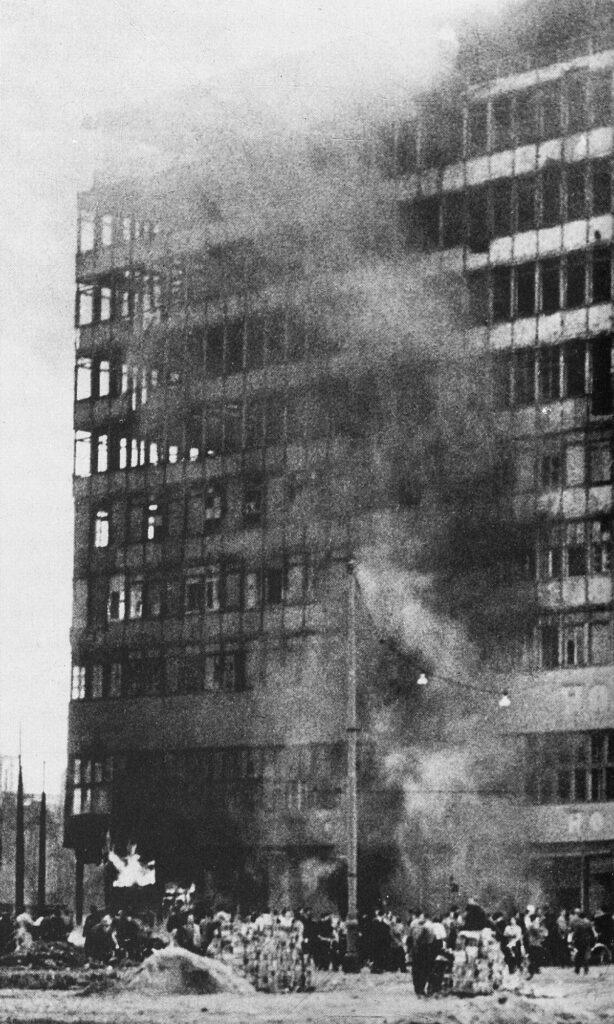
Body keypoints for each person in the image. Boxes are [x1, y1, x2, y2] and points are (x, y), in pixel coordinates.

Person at [571, 911, 595, 975]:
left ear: (579, 916)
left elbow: (575, 933)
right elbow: (591, 932)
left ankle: (577, 970)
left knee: (579, 955)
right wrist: (592, 940)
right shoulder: (588, 922)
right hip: (586, 941)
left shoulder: (578, 923)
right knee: (584, 955)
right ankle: (585, 970)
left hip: (579, 941)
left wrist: (573, 939)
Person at [526, 913, 548, 978]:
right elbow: (538, 933)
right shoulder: (533, 926)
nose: (537, 920)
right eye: (537, 919)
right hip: (534, 944)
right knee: (536, 957)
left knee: (536, 957)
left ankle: (535, 969)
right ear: (534, 919)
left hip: (536, 944)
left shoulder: (534, 926)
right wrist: (542, 933)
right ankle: (532, 970)